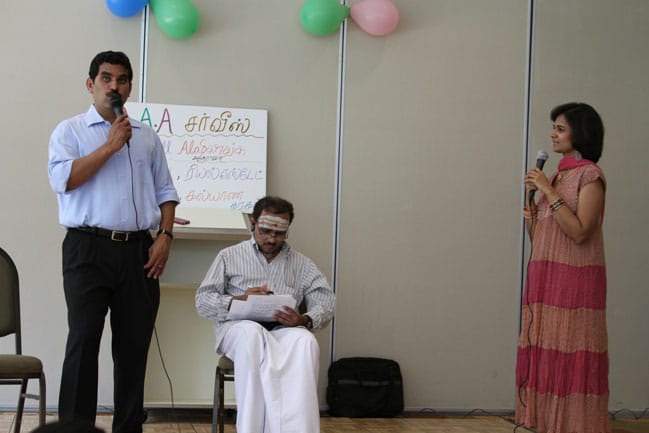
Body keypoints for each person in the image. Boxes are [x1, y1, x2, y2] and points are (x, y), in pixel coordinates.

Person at [48, 51, 180, 433]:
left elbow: (166, 192)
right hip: (87, 249)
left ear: (130, 87)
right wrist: (109, 145)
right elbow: (64, 181)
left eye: (122, 80)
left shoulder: (146, 136)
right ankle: (75, 429)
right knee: (83, 341)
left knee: (133, 348)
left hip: (139, 251)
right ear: (90, 84)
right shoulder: (69, 131)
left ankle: (128, 427)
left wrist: (165, 236)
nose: (114, 86)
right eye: (106, 79)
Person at [196, 196, 336, 433]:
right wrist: (239, 299)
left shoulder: (302, 264)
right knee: (251, 335)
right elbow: (203, 301)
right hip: (238, 329)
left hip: (282, 330)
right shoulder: (228, 256)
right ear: (253, 222)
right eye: (265, 231)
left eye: (280, 233)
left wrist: (304, 319)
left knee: (305, 341)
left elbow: (326, 301)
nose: (272, 239)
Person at [516, 102, 609, 433]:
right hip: (546, 278)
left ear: (579, 133)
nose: (553, 135)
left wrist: (546, 189)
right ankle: (546, 423)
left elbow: (580, 232)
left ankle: (575, 425)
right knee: (547, 347)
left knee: (572, 347)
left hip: (575, 279)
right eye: (553, 128)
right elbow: (542, 239)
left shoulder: (590, 175)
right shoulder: (556, 175)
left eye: (560, 128)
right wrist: (531, 212)